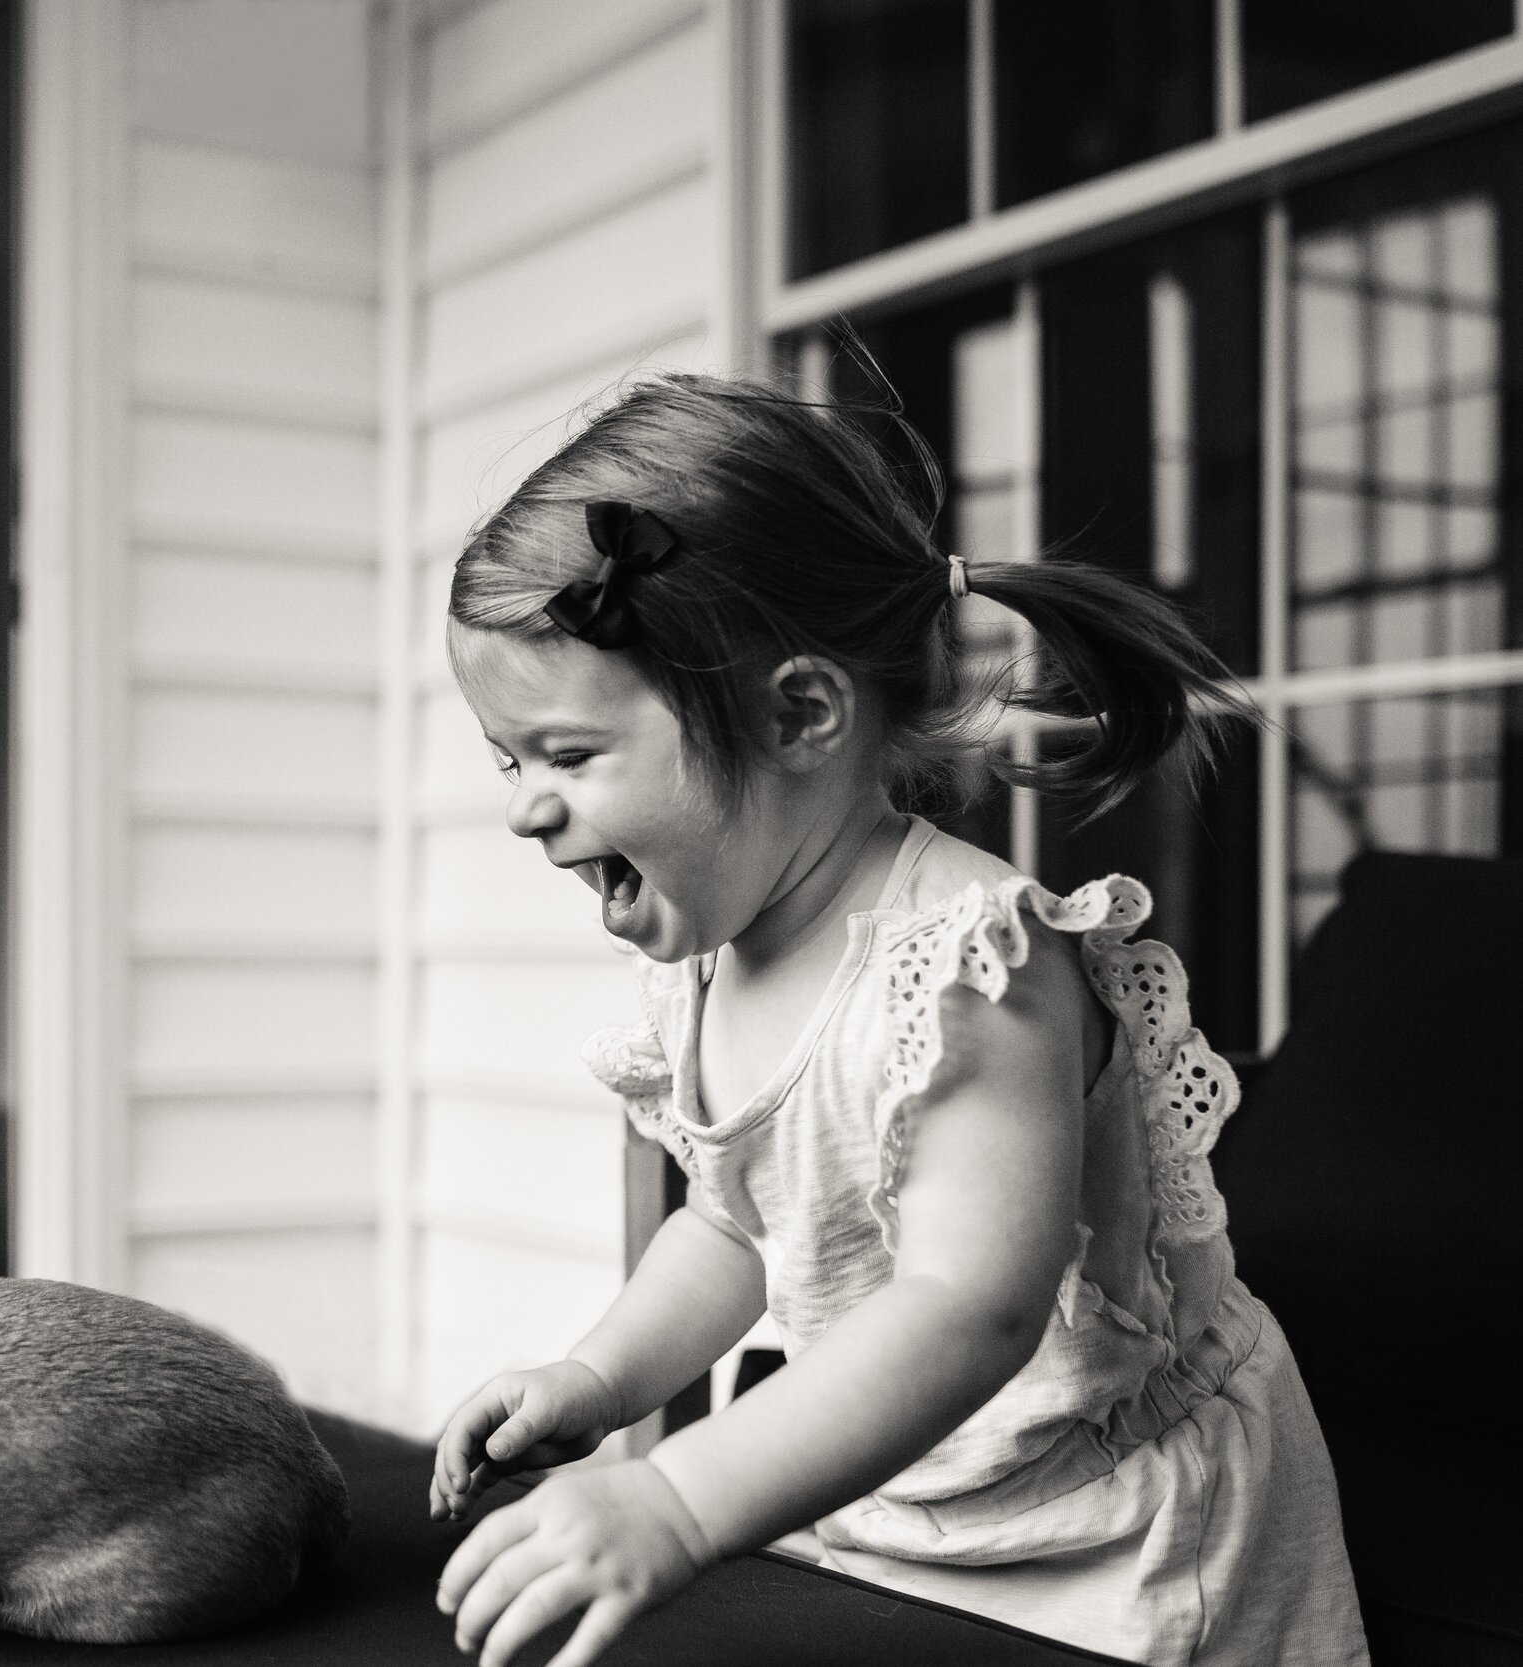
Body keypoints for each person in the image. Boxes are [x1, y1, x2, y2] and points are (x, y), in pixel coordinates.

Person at [427, 372, 1366, 1667]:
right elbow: (736, 1224)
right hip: (903, 1493)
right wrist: (599, 1383)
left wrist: (678, 1496)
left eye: (570, 755)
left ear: (800, 715)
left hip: (1108, 1529)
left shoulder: (972, 965)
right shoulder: (714, 965)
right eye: (508, 760)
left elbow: (967, 1303)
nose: (527, 808)